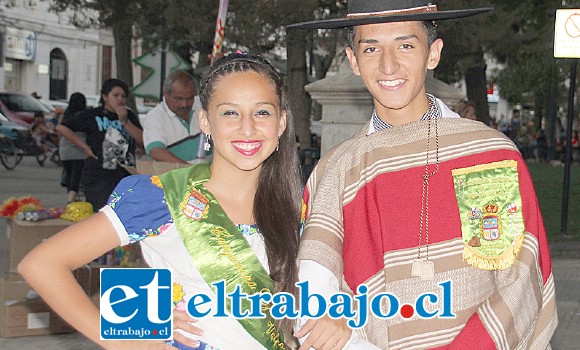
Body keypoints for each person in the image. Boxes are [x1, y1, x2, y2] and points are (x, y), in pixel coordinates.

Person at [289, 1, 557, 349]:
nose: (389, 65)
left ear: (433, 53)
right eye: (371, 48)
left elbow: (518, 280)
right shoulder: (336, 172)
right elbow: (316, 289)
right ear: (353, 60)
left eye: (405, 45)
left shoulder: (486, 156)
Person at [19, 53, 302, 349]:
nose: (247, 128)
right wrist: (123, 341)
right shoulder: (163, 197)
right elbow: (41, 264)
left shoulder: (296, 207)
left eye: (262, 113)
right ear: (205, 120)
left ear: (281, 122)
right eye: (230, 113)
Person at [56, 79, 143, 211]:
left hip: (125, 174)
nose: (120, 100)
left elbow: (142, 141)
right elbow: (63, 128)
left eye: (123, 96)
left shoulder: (129, 115)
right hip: (98, 175)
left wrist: (125, 122)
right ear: (105, 97)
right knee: (102, 212)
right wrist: (84, 147)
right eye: (115, 95)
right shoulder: (93, 114)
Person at [142, 71, 208, 164]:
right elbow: (156, 152)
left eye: (189, 98)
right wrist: (189, 170)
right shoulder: (155, 117)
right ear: (165, 94)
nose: (184, 104)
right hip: (178, 174)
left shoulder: (201, 105)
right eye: (178, 98)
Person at [58, 92, 88, 203]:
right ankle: (71, 199)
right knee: (77, 175)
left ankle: (71, 196)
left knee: (70, 174)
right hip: (79, 150)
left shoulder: (66, 114)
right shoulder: (84, 116)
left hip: (65, 149)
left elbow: (60, 132)